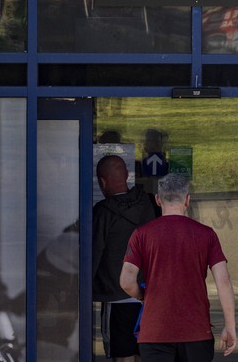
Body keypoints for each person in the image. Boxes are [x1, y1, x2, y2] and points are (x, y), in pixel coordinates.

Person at [120, 173, 237, 362]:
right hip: (196, 331)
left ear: (158, 200)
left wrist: (143, 296)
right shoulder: (206, 234)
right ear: (187, 200)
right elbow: (223, 281)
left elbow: (126, 282)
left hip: (155, 332)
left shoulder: (141, 234)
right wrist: (230, 326)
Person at [93, 154, 159, 362]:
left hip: (117, 295)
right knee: (145, 353)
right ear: (127, 176)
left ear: (102, 182)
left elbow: (94, 254)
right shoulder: (150, 203)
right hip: (150, 296)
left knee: (122, 355)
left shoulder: (103, 212)